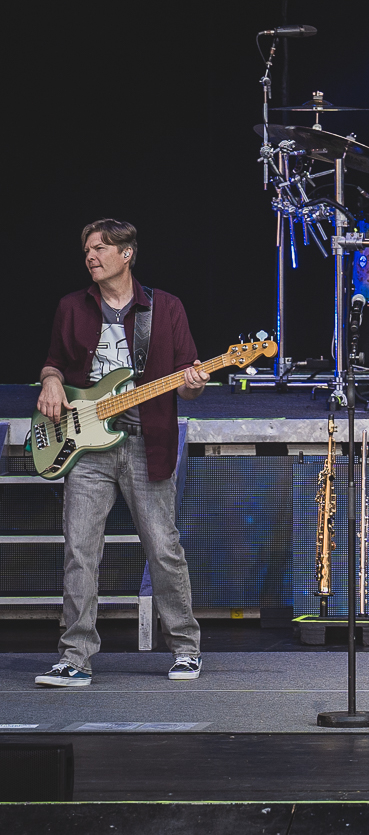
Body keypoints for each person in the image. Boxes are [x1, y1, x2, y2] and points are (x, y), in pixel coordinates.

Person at [34, 220, 209, 688]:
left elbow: (187, 385)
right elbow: (53, 361)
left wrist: (193, 385)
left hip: (145, 442)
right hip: (85, 446)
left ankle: (186, 649)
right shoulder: (72, 307)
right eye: (87, 249)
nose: (90, 256)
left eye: (99, 248)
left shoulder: (165, 307)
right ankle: (74, 657)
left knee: (163, 547)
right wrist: (51, 380)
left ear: (126, 254)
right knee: (80, 551)